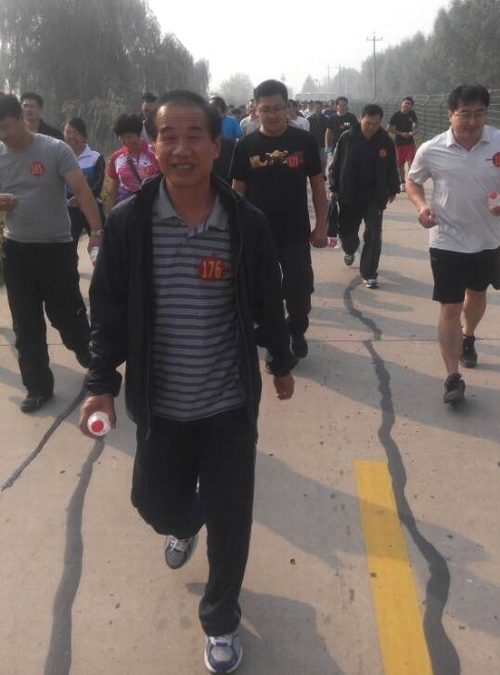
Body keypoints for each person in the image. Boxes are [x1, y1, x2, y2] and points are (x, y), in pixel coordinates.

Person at [77, 90, 296, 674]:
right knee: (154, 503)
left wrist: (280, 360)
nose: (180, 148)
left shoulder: (244, 222)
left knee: (232, 520)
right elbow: (108, 311)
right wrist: (100, 382)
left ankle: (220, 621)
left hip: (228, 405)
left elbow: (267, 297)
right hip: (161, 405)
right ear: (153, 146)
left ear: (215, 145)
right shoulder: (130, 223)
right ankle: (182, 524)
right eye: (167, 136)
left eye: (193, 135)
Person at [0, 94, 103, 412]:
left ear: (21, 118)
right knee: (25, 324)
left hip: (55, 249)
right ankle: (38, 387)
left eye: (5, 126)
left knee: (66, 314)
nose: (3, 135)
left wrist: (96, 232)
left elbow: (81, 191)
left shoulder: (54, 149)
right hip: (17, 251)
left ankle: (88, 353)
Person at [406, 84, 500, 404]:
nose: (472, 121)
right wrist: (422, 206)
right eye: (465, 114)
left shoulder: (497, 141)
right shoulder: (432, 148)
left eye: (479, 114)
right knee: (449, 306)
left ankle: (468, 335)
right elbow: (413, 180)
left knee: (477, 294)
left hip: (488, 238)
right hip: (447, 239)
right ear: (450, 115)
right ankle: (452, 377)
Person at [231, 79, 328, 360]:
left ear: (288, 108)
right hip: (257, 236)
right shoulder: (246, 145)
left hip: (295, 233)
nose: (272, 115)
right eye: (265, 109)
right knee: (264, 293)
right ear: (255, 110)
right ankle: (276, 342)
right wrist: (235, 230)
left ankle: (296, 330)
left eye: (277, 108)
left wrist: (321, 226)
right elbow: (237, 190)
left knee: (299, 292)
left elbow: (318, 185)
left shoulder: (303, 142)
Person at [329, 103, 399, 288]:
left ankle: (369, 273)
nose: (371, 127)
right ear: (361, 119)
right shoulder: (347, 138)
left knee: (374, 233)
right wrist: (333, 188)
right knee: (347, 234)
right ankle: (350, 249)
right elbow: (335, 165)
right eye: (368, 123)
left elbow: (392, 165)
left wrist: (393, 188)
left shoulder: (385, 141)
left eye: (376, 124)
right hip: (349, 194)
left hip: (374, 197)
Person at [63, 117, 106, 249]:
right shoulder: (61, 158)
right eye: (68, 133)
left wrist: (83, 198)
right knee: (68, 247)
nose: (71, 137)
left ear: (84, 136)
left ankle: (97, 262)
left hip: (93, 208)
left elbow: (98, 184)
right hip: (69, 211)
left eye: (76, 133)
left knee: (100, 246)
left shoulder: (95, 157)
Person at [107, 112, 160, 207]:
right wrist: (112, 209)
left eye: (130, 137)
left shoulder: (154, 153)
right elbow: (114, 186)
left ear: (138, 134)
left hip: (152, 205)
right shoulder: (116, 157)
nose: (126, 141)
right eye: (122, 138)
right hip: (126, 206)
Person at [387, 96, 418, 189]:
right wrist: (401, 133)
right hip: (399, 144)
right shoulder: (396, 115)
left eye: (409, 104)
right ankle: (402, 182)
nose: (407, 105)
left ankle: (411, 181)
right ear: (402, 104)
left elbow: (416, 123)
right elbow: (389, 128)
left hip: (410, 143)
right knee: (400, 164)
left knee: (411, 162)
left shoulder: (412, 114)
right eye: (406, 103)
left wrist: (414, 129)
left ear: (411, 106)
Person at [308, 100, 329, 179]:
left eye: (320, 108)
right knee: (313, 161)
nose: (318, 109)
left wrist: (328, 144)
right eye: (316, 108)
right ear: (313, 108)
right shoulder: (309, 119)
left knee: (323, 161)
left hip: (323, 144)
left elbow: (328, 132)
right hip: (313, 144)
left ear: (322, 108)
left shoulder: (326, 119)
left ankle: (323, 174)